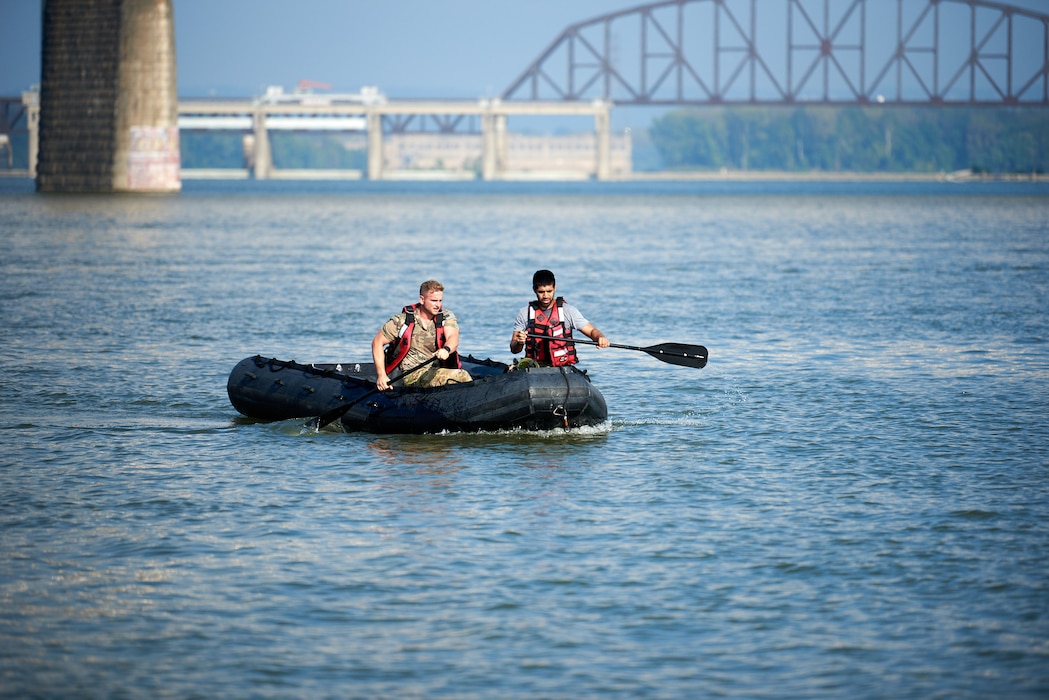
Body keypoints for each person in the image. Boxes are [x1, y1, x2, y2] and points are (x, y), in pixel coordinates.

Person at [372, 280, 473, 391]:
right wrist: (381, 375)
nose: (438, 305)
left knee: (459, 376)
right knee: (461, 376)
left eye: (440, 301)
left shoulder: (446, 317)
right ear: (422, 299)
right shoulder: (401, 321)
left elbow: (453, 338)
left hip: (436, 370)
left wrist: (446, 349)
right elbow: (377, 342)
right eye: (434, 301)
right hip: (412, 375)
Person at [509, 269, 610, 367]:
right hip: (535, 368)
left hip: (562, 368)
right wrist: (519, 342)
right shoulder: (524, 313)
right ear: (534, 290)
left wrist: (600, 337)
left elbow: (592, 331)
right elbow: (514, 349)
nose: (545, 296)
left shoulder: (568, 311)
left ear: (555, 287)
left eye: (549, 291)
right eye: (541, 292)